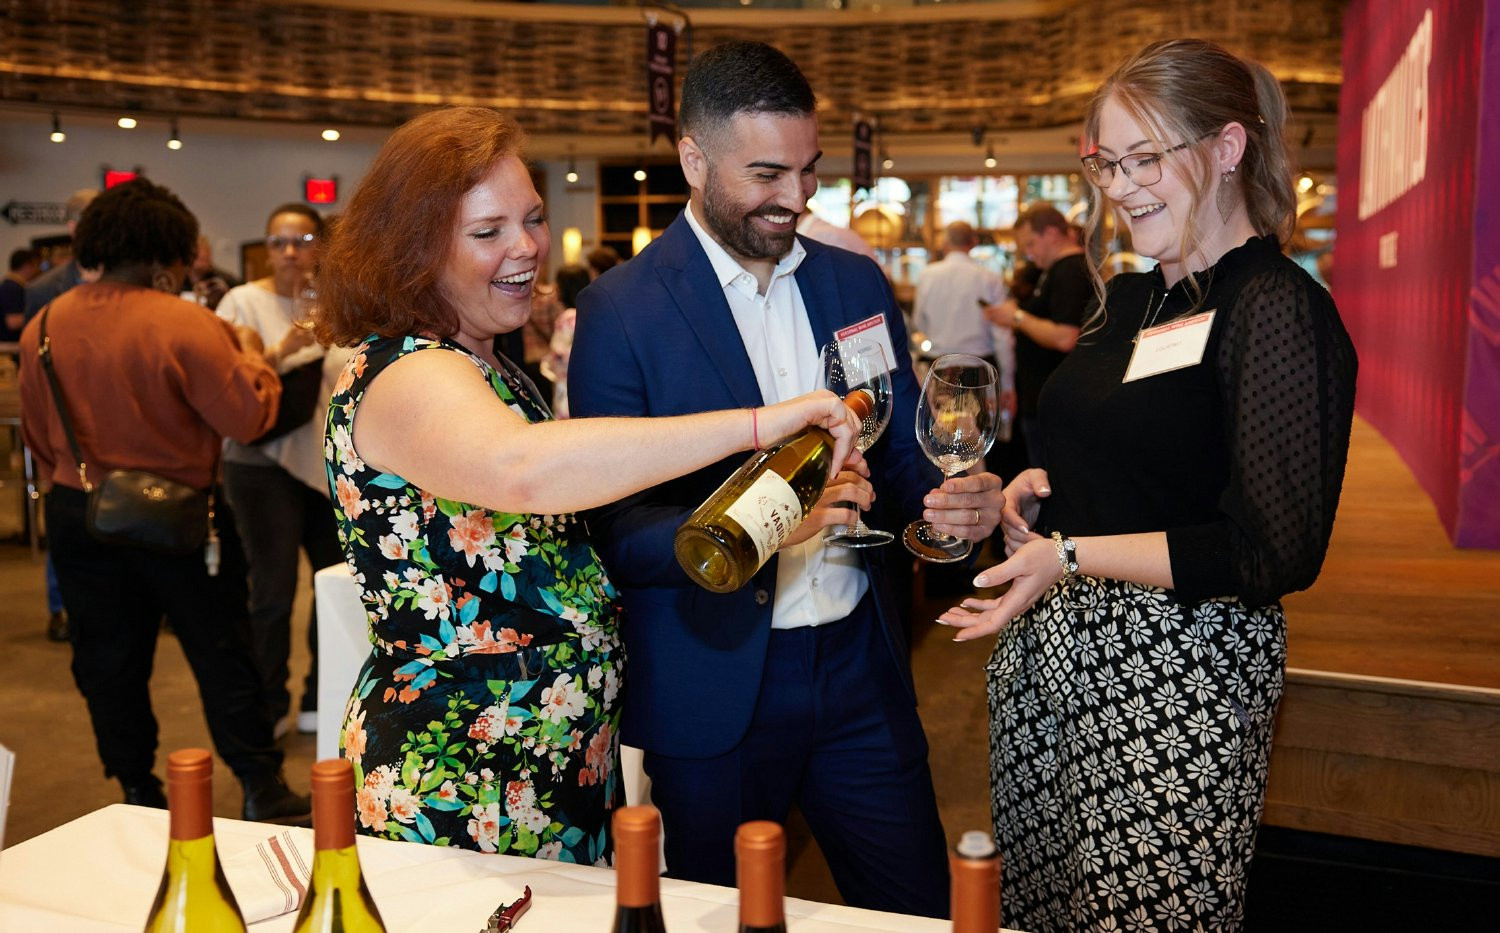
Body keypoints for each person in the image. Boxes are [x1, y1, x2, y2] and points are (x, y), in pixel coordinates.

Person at [312, 105, 859, 862]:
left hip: (554, 764)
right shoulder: (406, 371)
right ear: (414, 251)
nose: (528, 247)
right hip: (462, 776)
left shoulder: (489, 364)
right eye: (487, 231)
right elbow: (526, 469)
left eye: (532, 219)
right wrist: (761, 424)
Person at [568, 41, 1005, 918]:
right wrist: (771, 525)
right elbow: (614, 532)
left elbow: (901, 452)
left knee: (914, 907)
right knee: (715, 913)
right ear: (693, 160)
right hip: (714, 683)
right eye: (767, 172)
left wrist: (962, 504)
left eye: (808, 170)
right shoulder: (624, 309)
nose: (797, 197)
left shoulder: (854, 279)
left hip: (860, 669)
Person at [940, 38, 1358, 931]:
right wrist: (1036, 488)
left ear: (1229, 147)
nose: (1120, 188)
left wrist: (1074, 552)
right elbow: (1126, 453)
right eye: (1105, 163)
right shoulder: (1131, 298)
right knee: (1040, 911)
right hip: (1049, 658)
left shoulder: (1275, 306)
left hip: (1176, 682)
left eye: (1145, 159)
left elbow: (1271, 549)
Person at [18, 178, 310, 822]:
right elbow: (248, 417)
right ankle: (262, 785)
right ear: (168, 252)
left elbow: (38, 437)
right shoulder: (186, 323)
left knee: (106, 658)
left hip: (79, 511)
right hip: (183, 518)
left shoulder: (46, 323)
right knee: (221, 650)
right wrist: (256, 356)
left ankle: (136, 790)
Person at [217, 203, 348, 738]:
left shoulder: (334, 302)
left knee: (332, 585)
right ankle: (268, 704)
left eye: (303, 238)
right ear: (265, 249)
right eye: (278, 241)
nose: (290, 251)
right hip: (259, 464)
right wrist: (284, 349)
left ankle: (321, 696)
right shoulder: (240, 302)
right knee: (271, 592)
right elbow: (225, 382)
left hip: (324, 461)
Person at [983, 203, 1091, 468]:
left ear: (1052, 233)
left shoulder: (1071, 271)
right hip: (1042, 397)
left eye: (1031, 244)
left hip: (1058, 403)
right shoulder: (1053, 270)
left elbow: (1066, 336)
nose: (1029, 253)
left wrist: (1017, 317)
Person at [23, 188, 99, 323]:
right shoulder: (42, 290)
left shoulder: (130, 283)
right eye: (94, 224)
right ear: (72, 227)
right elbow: (34, 342)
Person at [538, 262, 592, 418]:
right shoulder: (591, 313)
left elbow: (559, 355)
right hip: (588, 386)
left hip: (568, 389)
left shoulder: (567, 318)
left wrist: (547, 363)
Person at [184, 235, 238, 310]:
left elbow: (241, 294)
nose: (203, 263)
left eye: (206, 259)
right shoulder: (179, 280)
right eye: (200, 258)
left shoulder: (222, 280)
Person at [2, 248, 40, 341]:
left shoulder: (8, 285)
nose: (36, 270)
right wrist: (40, 317)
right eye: (34, 266)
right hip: (10, 345)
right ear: (26, 266)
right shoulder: (13, 288)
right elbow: (12, 322)